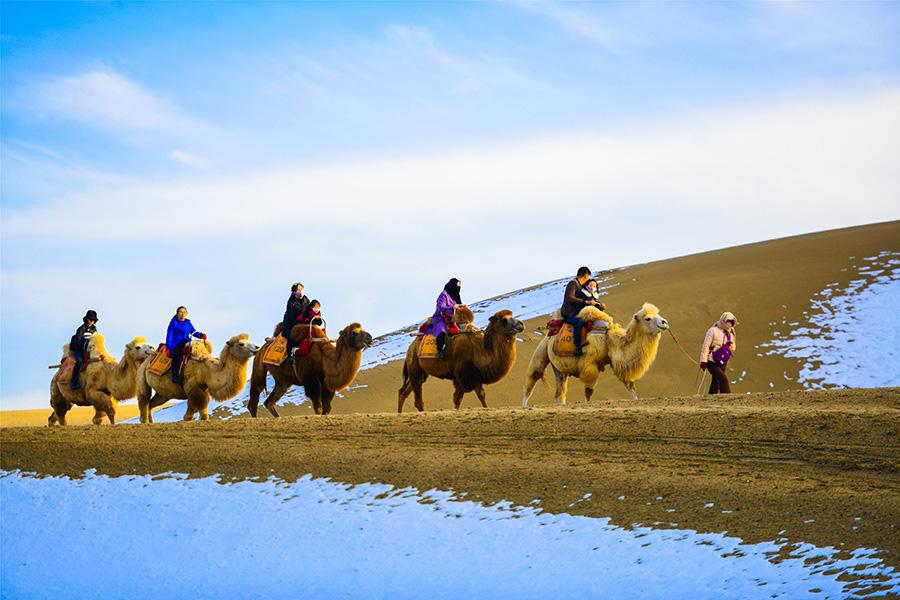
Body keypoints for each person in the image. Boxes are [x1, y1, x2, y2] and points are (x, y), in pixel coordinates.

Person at [561, 267, 600, 356]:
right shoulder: (573, 284)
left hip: (577, 312)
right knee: (578, 322)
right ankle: (577, 346)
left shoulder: (580, 286)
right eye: (587, 278)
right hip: (569, 314)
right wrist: (585, 302)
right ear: (585, 276)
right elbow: (570, 298)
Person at [165, 306, 206, 384]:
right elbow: (169, 335)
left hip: (187, 341)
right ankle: (175, 374)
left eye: (184, 312)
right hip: (176, 342)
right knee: (177, 354)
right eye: (180, 312)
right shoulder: (173, 322)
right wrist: (168, 347)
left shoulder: (188, 323)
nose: (182, 314)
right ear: (177, 313)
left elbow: (193, 332)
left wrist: (201, 335)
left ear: (186, 314)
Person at [700, 312, 738, 394]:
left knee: (716, 381)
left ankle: (710, 399)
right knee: (723, 379)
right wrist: (703, 361)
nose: (730, 324)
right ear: (723, 320)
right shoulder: (713, 331)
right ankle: (727, 398)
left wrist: (726, 350)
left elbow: (733, 347)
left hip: (722, 362)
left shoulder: (731, 334)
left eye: (732, 322)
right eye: (728, 321)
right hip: (711, 360)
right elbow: (706, 345)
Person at [69, 310, 99, 390]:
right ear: (87, 319)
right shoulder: (81, 329)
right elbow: (78, 341)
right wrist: (84, 349)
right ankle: (74, 382)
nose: (91, 321)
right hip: (79, 351)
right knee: (79, 361)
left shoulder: (94, 329)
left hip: (90, 351)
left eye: (93, 320)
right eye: (90, 319)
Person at [433, 278, 462, 358]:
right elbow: (441, 306)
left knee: (464, 330)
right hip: (441, 318)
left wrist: (462, 307)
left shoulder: (455, 296)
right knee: (442, 330)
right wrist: (453, 307)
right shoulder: (443, 295)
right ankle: (440, 350)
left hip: (454, 319)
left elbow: (458, 306)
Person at [282, 282, 310, 358]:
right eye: (298, 290)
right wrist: (298, 322)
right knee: (293, 337)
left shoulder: (306, 300)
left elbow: (309, 311)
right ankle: (290, 355)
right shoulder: (291, 302)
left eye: (301, 289)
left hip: (304, 322)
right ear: (294, 292)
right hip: (292, 322)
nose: (300, 291)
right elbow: (290, 316)